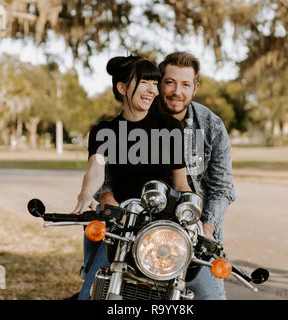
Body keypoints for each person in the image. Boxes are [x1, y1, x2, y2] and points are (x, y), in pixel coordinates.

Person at [98, 51, 237, 299]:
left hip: (190, 228)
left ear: (195, 87)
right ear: (158, 82)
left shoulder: (211, 125)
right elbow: (107, 165)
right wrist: (106, 197)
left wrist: (206, 227)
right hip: (132, 223)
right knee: (96, 284)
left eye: (185, 85)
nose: (177, 92)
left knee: (210, 297)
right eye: (170, 82)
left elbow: (221, 188)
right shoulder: (136, 113)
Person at [71, 55, 192, 300]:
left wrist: (193, 216)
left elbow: (181, 182)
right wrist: (86, 194)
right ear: (123, 88)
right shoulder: (104, 131)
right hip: (121, 225)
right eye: (145, 82)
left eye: (154, 83)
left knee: (186, 292)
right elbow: (96, 168)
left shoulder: (169, 127)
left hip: (160, 227)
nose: (152, 90)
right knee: (90, 293)